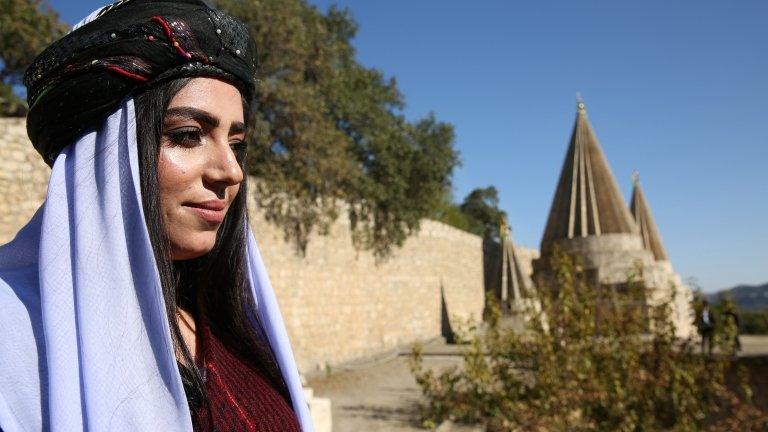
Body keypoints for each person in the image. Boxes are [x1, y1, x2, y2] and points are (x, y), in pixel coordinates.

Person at [0, 1, 313, 430]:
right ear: (105, 156)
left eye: (237, 143)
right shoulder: (11, 334)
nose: (231, 171)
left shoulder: (228, 322)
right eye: (188, 136)